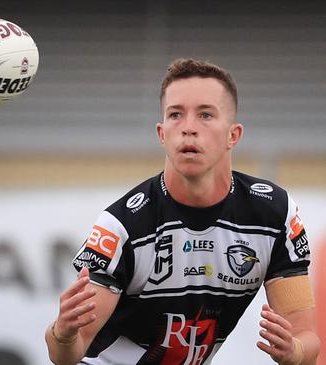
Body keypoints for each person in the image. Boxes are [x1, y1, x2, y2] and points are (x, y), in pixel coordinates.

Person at [46, 58, 320, 365]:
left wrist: (293, 352)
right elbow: (66, 354)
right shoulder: (122, 226)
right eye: (176, 115)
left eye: (205, 114)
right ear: (162, 134)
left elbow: (307, 337)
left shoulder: (274, 214)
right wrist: (63, 334)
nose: (189, 128)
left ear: (234, 135)